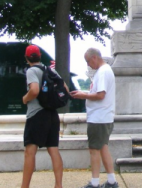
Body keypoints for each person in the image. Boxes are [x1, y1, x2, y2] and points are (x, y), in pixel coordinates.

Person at [71, 48, 117, 188]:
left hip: (99, 118)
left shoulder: (102, 72)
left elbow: (100, 95)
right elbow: (99, 93)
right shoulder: (105, 70)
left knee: (94, 150)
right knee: (103, 148)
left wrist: (83, 95)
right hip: (104, 117)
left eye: (88, 61)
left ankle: (95, 183)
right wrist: (84, 93)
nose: (88, 65)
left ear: (95, 57)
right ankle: (111, 181)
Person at [21, 45, 63, 188]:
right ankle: (58, 185)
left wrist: (25, 99)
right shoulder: (50, 70)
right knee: (53, 150)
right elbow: (65, 88)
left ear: (27, 58)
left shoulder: (31, 70)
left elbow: (34, 90)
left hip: (37, 115)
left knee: (30, 152)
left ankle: (24, 186)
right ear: (40, 56)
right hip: (52, 114)